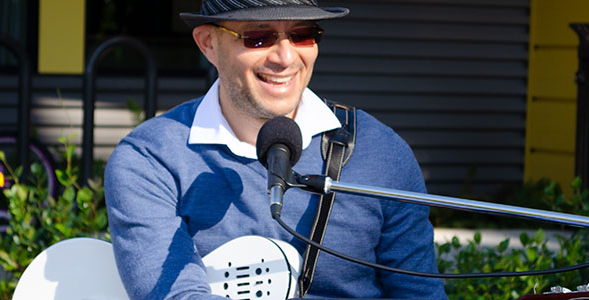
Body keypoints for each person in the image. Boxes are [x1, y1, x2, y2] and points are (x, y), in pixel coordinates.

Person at [104, 1, 448, 299]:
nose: (285, 58)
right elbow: (175, 294)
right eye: (258, 37)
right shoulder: (150, 158)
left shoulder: (381, 153)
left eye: (302, 34)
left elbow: (420, 292)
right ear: (208, 43)